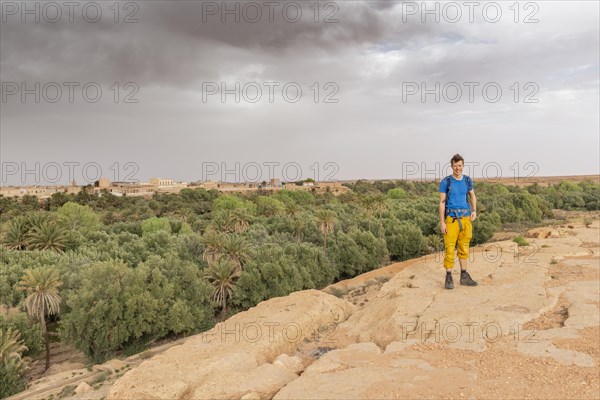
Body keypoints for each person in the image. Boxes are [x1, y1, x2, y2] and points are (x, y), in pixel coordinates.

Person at [438, 154, 478, 289]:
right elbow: (442, 203)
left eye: (460, 166)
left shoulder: (467, 180)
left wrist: (474, 210)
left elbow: (472, 195)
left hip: (466, 218)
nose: (457, 168)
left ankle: (464, 276)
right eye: (455, 166)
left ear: (463, 166)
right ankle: (448, 277)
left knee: (464, 246)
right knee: (449, 247)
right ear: (452, 167)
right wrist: (442, 222)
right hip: (452, 219)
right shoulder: (446, 182)